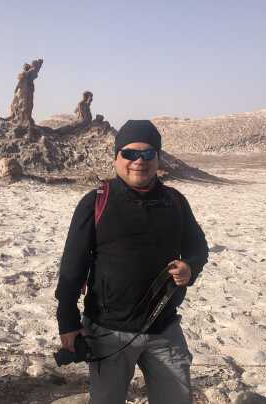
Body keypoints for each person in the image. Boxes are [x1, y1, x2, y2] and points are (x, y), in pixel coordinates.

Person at [55, 120, 209, 404]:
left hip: (164, 328)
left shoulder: (175, 202)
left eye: (148, 153)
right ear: (116, 158)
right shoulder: (96, 202)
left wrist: (190, 267)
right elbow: (72, 267)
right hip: (107, 331)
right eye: (130, 153)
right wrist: (67, 322)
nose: (139, 161)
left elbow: (198, 247)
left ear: (158, 159)